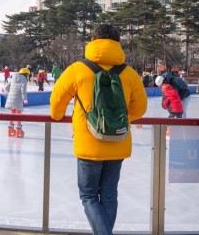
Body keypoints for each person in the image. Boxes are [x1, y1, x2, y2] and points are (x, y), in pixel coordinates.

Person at [50, 24, 147, 235]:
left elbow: (57, 99)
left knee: (89, 196)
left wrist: (58, 116)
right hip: (118, 141)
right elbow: (140, 109)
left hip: (89, 144)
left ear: (93, 41)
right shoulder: (129, 73)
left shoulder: (78, 69)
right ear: (117, 43)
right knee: (110, 195)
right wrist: (116, 120)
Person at [3, 68, 29, 138]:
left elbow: (5, 88)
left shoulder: (13, 78)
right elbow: (23, 90)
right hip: (18, 99)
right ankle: (18, 131)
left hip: (11, 98)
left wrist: (11, 92)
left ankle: (10, 129)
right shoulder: (24, 79)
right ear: (25, 74)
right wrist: (25, 99)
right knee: (18, 115)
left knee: (12, 114)